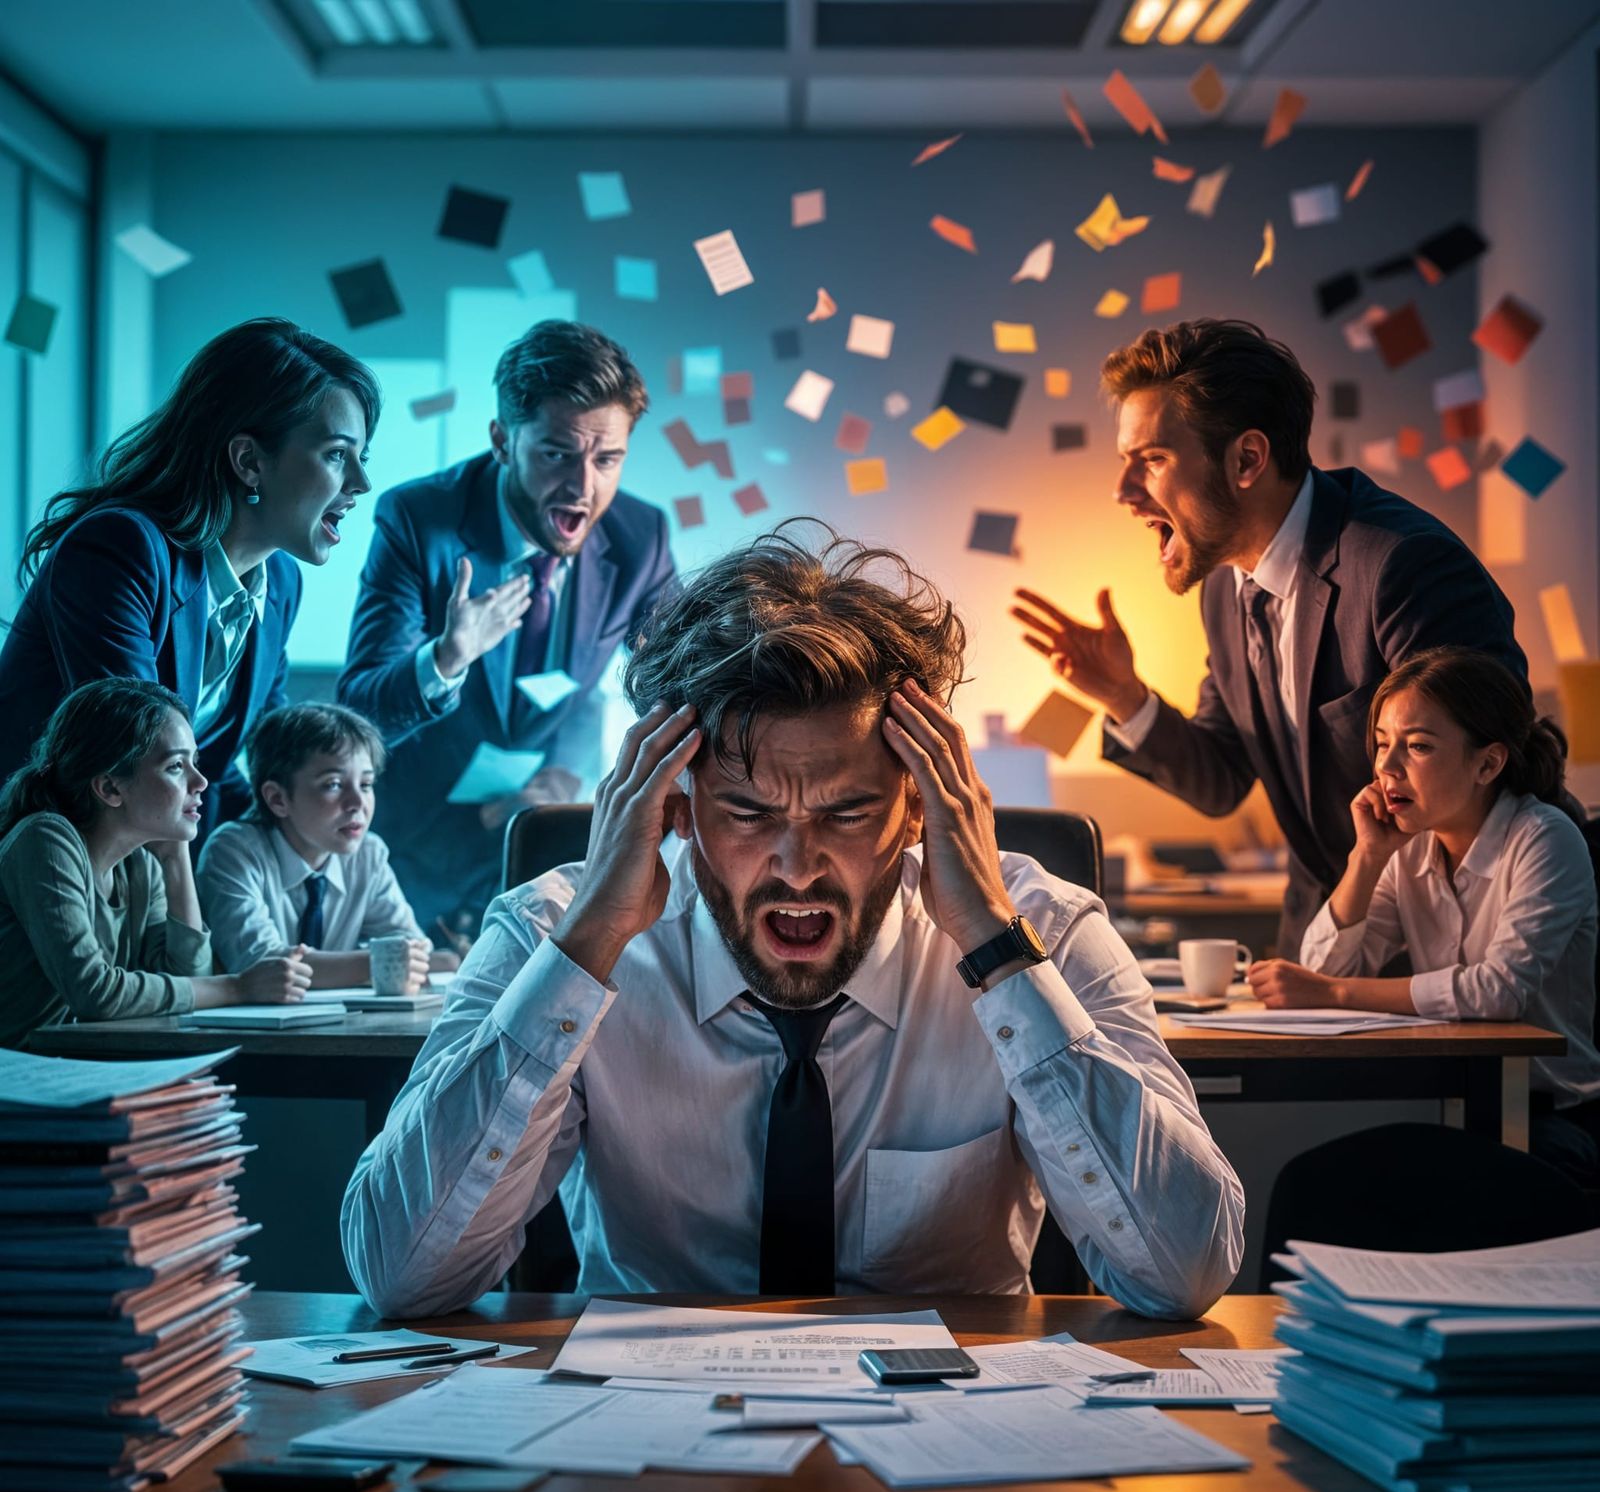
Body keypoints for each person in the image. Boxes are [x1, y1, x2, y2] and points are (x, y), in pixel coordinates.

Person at [342, 533, 1244, 1321]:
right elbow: (400, 1275)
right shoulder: (553, 930)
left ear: (922, 805)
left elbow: (1185, 1272)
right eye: (748, 812)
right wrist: (586, 950)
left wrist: (997, 952)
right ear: (676, 806)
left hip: (948, 1457)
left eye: (848, 813)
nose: (797, 864)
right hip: (642, 1449)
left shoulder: (1044, 928)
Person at [1011, 319, 1528, 954]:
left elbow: (1486, 784)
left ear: (1247, 459)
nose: (1124, 491)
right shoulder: (1225, 591)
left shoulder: (1405, 565)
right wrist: (1124, 696)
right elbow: (1221, 780)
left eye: (1152, 459)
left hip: (1441, 951)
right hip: (1317, 944)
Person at [337, 319, 678, 943]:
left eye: (608, 459)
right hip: (412, 855)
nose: (583, 487)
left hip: (540, 853)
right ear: (501, 440)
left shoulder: (641, 537)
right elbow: (360, 710)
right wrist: (445, 658)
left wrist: (573, 776)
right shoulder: (417, 519)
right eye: (556, 454)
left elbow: (681, 685)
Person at [0, 318, 379, 842]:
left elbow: (253, 769)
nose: (361, 482)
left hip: (144, 871)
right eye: (337, 455)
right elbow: (140, 774)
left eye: (362, 457)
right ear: (249, 461)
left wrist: (320, 836)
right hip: (40, 864)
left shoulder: (281, 584)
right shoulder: (120, 547)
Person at [1248, 647, 1600, 1184]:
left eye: (1417, 747)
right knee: (1314, 1174)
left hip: (1552, 1116)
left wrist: (1334, 995)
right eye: (1383, 745)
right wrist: (1366, 858)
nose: (1387, 769)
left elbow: (1496, 993)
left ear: (1487, 763)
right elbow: (1324, 967)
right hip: (1451, 1099)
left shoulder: (1544, 838)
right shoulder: (1409, 847)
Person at [0, 679, 311, 1047]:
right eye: (176, 766)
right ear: (110, 788)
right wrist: (238, 987)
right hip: (19, 1076)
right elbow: (96, 994)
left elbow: (186, 978)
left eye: (194, 762)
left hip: (80, 1070)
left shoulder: (140, 867)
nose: (201, 781)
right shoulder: (45, 840)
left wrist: (176, 858)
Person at [196, 703, 461, 991]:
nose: (358, 803)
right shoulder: (234, 850)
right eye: (333, 785)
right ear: (278, 799)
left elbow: (413, 951)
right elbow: (263, 965)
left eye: (367, 784)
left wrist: (429, 959)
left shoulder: (368, 853)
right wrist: (375, 963)